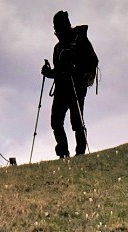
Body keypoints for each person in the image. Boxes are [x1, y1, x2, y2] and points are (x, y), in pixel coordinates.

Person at [42, 10, 98, 158]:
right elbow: (58, 70)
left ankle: (80, 151)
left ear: (66, 25)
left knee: (77, 120)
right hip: (62, 87)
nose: (56, 30)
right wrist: (48, 73)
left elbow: (93, 60)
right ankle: (63, 152)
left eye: (58, 26)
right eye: (55, 27)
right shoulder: (58, 47)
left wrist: (81, 71)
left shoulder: (80, 39)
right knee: (56, 121)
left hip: (77, 85)